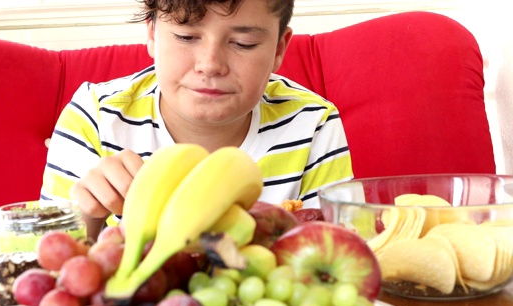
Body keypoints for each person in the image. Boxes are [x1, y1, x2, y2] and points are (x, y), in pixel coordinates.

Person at [41, 0, 353, 242]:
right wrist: (87, 217)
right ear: (152, 34)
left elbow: (338, 257)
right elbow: (40, 270)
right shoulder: (95, 117)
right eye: (186, 36)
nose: (210, 65)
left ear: (279, 49)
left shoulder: (314, 123)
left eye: (243, 43)